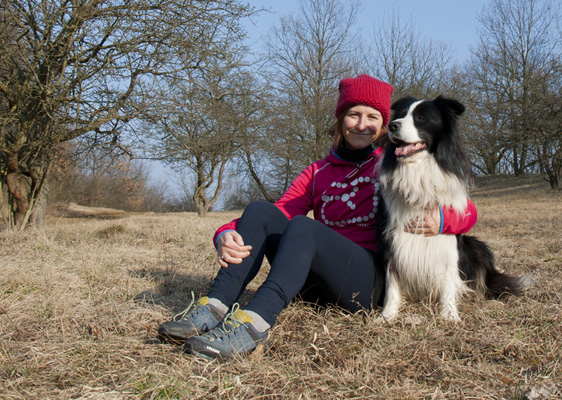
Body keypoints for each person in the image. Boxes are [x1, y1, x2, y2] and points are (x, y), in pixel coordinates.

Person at [157, 74, 478, 359]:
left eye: (372, 116)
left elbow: (465, 210)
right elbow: (277, 213)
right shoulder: (317, 172)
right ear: (340, 120)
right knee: (259, 209)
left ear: (384, 125)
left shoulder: (396, 165)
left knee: (304, 228)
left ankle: (253, 325)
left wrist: (443, 222)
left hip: (368, 283)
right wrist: (224, 233)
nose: (362, 124)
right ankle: (213, 307)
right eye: (353, 114)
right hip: (318, 283)